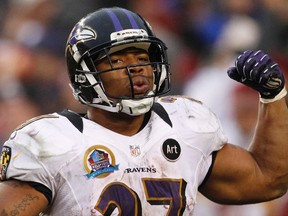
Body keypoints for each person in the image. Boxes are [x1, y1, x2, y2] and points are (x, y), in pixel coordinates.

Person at [0, 7, 287, 216]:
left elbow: (268, 180)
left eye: (142, 56)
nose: (136, 66)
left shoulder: (184, 125)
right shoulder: (53, 142)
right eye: (118, 59)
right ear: (85, 74)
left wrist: (273, 97)